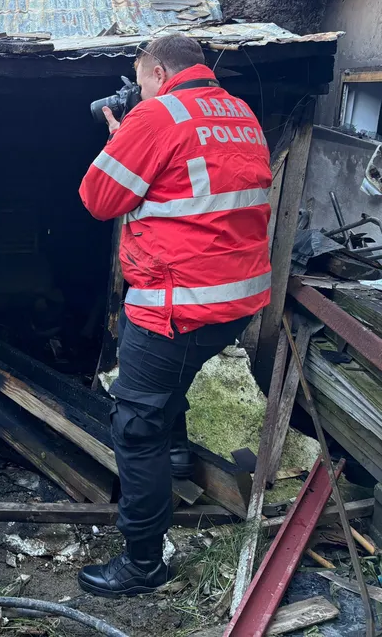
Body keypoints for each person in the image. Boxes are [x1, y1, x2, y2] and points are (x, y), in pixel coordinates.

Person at [77, 35, 271, 597]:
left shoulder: (157, 116)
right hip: (233, 304)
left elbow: (98, 199)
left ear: (158, 71)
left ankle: (143, 563)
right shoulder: (240, 113)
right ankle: (179, 458)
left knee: (137, 428)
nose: (138, 91)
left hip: (176, 305)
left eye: (140, 81)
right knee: (173, 383)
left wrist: (123, 135)